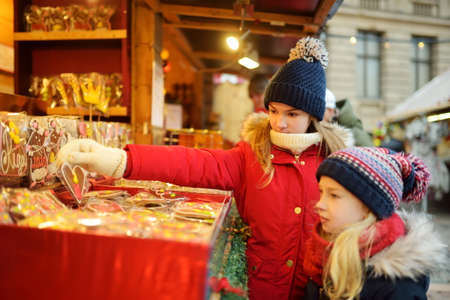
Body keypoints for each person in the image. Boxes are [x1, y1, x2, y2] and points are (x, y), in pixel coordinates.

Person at [56, 37, 352, 299]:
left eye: (292, 113)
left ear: (313, 116)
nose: (279, 122)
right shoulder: (252, 155)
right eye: (273, 110)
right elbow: (193, 163)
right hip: (259, 290)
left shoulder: (335, 164)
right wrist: (119, 160)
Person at [303, 147, 447, 300]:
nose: (319, 204)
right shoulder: (321, 255)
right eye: (321, 192)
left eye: (334, 195)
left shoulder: (394, 284)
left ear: (370, 206)